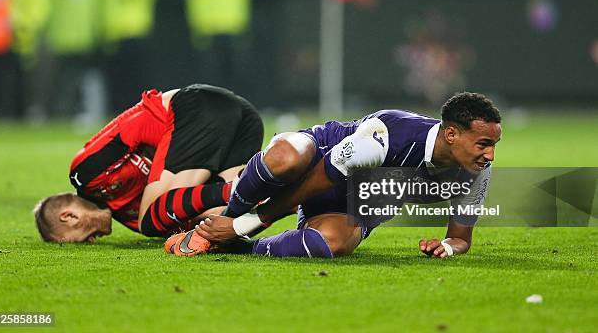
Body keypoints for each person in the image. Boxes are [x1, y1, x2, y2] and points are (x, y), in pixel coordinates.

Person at [167, 92, 501, 259]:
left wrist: (446, 246)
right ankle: (219, 225)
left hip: (361, 203)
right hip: (323, 160)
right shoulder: (388, 135)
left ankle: (237, 247)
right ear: (453, 134)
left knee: (331, 243)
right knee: (285, 158)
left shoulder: (475, 173)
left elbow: (461, 238)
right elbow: (314, 183)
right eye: (484, 143)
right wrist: (240, 222)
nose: (490, 155)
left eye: (494, 145)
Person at [34, 84, 264, 243]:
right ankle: (280, 189)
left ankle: (245, 187)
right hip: (242, 123)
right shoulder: (130, 219)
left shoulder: (86, 174)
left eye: (74, 242)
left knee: (151, 219)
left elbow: (134, 125)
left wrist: (169, 143)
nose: (90, 243)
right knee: (225, 216)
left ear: (68, 216)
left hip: (195, 107)